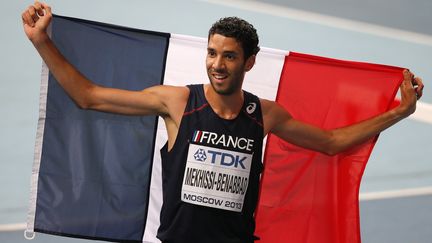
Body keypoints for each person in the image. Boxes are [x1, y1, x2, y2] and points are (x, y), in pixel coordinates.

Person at [22, 2, 424, 243]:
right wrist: (42, 40)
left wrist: (400, 111)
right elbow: (88, 97)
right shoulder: (178, 101)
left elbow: (333, 142)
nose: (217, 64)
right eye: (212, 53)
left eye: (229, 56)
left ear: (248, 62)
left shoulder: (264, 114)